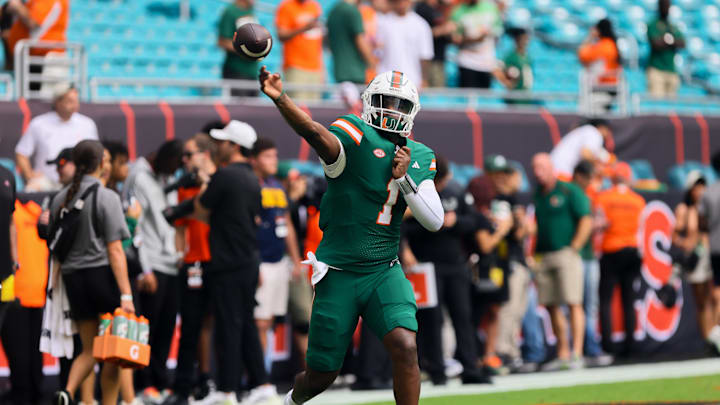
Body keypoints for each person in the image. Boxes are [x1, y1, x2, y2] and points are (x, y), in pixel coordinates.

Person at [259, 66, 443, 405]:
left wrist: (404, 179)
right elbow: (314, 132)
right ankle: (291, 401)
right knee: (322, 375)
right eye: (386, 101)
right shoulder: (353, 135)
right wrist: (281, 98)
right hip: (339, 273)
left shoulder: (417, 155)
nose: (391, 110)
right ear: (370, 101)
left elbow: (434, 220)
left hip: (383, 269)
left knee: (405, 346)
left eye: (400, 105)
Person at [193, 120, 278, 404]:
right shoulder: (252, 179)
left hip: (229, 264)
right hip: (248, 262)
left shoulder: (226, 176)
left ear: (235, 146)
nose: (218, 146)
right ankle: (263, 384)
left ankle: (228, 391)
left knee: (229, 326)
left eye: (223, 142)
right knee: (246, 326)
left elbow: (201, 209)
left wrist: (206, 182)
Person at [51, 140, 135, 405]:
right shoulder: (106, 196)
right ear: (101, 164)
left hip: (73, 279)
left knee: (89, 349)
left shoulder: (59, 197)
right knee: (111, 350)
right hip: (101, 277)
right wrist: (126, 295)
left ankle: (68, 392)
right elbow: (116, 251)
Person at [403, 155, 489, 385]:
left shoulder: (455, 191)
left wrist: (455, 221)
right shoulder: (415, 193)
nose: (442, 185)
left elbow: (474, 221)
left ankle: (471, 369)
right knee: (431, 320)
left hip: (455, 263)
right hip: (426, 265)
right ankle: (437, 371)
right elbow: (400, 226)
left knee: (463, 316)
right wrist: (406, 249)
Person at [123, 140, 183, 403]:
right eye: (174, 165)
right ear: (162, 157)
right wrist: (144, 269)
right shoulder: (138, 177)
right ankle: (144, 383)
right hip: (151, 266)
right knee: (148, 327)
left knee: (166, 329)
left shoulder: (167, 176)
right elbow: (134, 226)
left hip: (171, 263)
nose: (175, 171)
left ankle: (160, 382)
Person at [163, 132, 219, 405]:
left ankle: (214, 380)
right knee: (191, 327)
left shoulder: (220, 181)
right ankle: (184, 386)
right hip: (194, 262)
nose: (184, 160)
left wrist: (206, 183)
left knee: (221, 324)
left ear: (204, 155)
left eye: (189, 154)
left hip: (221, 263)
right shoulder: (185, 186)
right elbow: (180, 228)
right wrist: (179, 256)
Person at [532, 153, 591, 371]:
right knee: (551, 304)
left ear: (551, 168)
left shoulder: (569, 190)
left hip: (566, 253)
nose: (537, 172)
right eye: (535, 168)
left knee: (573, 302)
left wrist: (575, 246)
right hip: (544, 255)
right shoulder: (538, 194)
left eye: (541, 167)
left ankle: (577, 352)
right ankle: (563, 352)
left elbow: (586, 217)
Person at [249, 137, 304, 356]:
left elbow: (287, 223)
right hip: (260, 260)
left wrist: (295, 258)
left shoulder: (276, 187)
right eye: (267, 156)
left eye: (275, 156)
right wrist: (254, 263)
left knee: (270, 320)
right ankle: (257, 379)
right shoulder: (251, 186)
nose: (273, 161)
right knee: (259, 322)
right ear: (254, 160)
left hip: (278, 260)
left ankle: (263, 373)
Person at [595, 162, 645, 357]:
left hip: (611, 249)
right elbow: (641, 227)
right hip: (632, 250)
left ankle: (607, 346)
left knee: (606, 300)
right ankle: (631, 346)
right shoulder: (638, 200)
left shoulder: (604, 197)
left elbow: (600, 223)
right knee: (628, 300)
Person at [15, 85, 98, 189]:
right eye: (69, 101)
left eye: (76, 101)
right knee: (31, 188)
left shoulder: (87, 124)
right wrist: (30, 175)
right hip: (46, 181)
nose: (75, 105)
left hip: (78, 180)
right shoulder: (39, 123)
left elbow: (95, 154)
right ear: (58, 102)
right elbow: (21, 152)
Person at [572, 160, 614, 367]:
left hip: (588, 255)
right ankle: (584, 349)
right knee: (577, 306)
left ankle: (590, 347)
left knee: (589, 306)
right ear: (580, 175)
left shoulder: (588, 195)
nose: (592, 182)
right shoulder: (571, 193)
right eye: (589, 177)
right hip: (578, 256)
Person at [674, 171, 716, 347]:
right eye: (696, 187)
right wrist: (687, 245)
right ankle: (708, 339)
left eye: (702, 186)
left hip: (710, 255)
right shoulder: (684, 209)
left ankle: (714, 336)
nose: (699, 190)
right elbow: (674, 235)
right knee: (702, 301)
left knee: (713, 298)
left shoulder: (709, 204)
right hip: (696, 259)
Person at [1, 0, 69, 90]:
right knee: (30, 100)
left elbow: (34, 24)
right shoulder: (31, 3)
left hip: (47, 59)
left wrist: (17, 8)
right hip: (31, 59)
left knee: (45, 101)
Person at [375, 0, 434, 87]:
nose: (402, 3)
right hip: (385, 81)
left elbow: (425, 56)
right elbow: (376, 53)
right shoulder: (381, 22)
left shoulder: (421, 24)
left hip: (411, 82)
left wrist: (424, 80)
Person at [275, 0, 324, 99]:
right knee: (299, 108)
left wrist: (322, 68)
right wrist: (304, 28)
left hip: (315, 68)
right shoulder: (286, 6)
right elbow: (281, 35)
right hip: (295, 66)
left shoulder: (314, 6)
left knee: (315, 109)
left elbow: (317, 41)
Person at [451, 0, 502, 89]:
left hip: (487, 62)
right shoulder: (459, 11)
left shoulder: (491, 8)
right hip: (467, 62)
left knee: (484, 99)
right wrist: (473, 39)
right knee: (468, 98)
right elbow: (455, 39)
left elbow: (497, 32)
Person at [698, 152, 720, 354]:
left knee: (716, 292)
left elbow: (702, 223)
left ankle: (714, 333)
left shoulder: (708, 192)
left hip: (715, 247)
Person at [327, 0, 376, 84]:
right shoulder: (352, 11)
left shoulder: (333, 11)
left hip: (339, 72)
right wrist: (373, 64)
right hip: (355, 73)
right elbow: (360, 41)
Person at [217, 0, 259, 96]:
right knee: (239, 108)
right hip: (236, 70)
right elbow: (222, 41)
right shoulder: (230, 11)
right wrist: (245, 49)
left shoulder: (250, 11)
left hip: (253, 70)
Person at [647, 0, 685, 98]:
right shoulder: (653, 24)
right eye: (664, 5)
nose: (666, 8)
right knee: (657, 106)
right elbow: (655, 44)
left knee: (671, 106)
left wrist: (667, 41)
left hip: (671, 70)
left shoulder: (672, 26)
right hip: (657, 69)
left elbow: (682, 43)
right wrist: (671, 42)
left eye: (667, 6)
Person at [414, 0, 454, 87]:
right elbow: (422, 34)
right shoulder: (422, 8)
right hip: (429, 60)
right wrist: (443, 29)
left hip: (439, 58)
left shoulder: (439, 8)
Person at [497, 28, 535, 105]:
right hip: (515, 95)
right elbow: (500, 71)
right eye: (523, 39)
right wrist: (508, 82)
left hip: (526, 94)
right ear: (517, 40)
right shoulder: (511, 57)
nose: (525, 42)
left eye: (526, 39)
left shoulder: (528, 57)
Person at [578, 18, 621, 86]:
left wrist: (590, 37)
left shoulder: (604, 45)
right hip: (612, 82)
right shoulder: (611, 44)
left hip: (605, 83)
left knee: (584, 73)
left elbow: (582, 55)